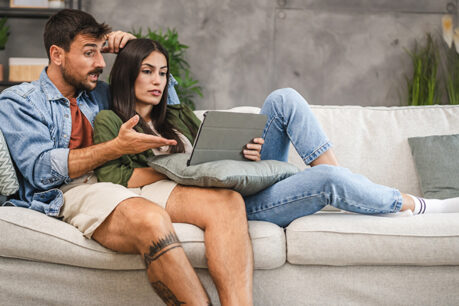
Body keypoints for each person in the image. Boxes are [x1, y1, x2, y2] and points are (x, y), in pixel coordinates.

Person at [0, 9, 253, 306]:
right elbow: (41, 171)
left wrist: (138, 51)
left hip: (128, 180)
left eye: (101, 52)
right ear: (57, 54)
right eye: (89, 53)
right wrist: (115, 148)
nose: (100, 63)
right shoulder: (20, 101)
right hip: (71, 189)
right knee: (150, 218)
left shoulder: (100, 93)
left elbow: (164, 108)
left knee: (228, 202)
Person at [96, 39, 459, 236]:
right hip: (232, 204)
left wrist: (246, 154)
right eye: (147, 72)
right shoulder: (111, 121)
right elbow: (114, 177)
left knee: (282, 98)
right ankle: (417, 205)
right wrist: (173, 168)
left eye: (163, 72)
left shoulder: (172, 114)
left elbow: (215, 153)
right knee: (327, 181)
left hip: (241, 178)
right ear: (128, 75)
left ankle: (349, 183)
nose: (158, 81)